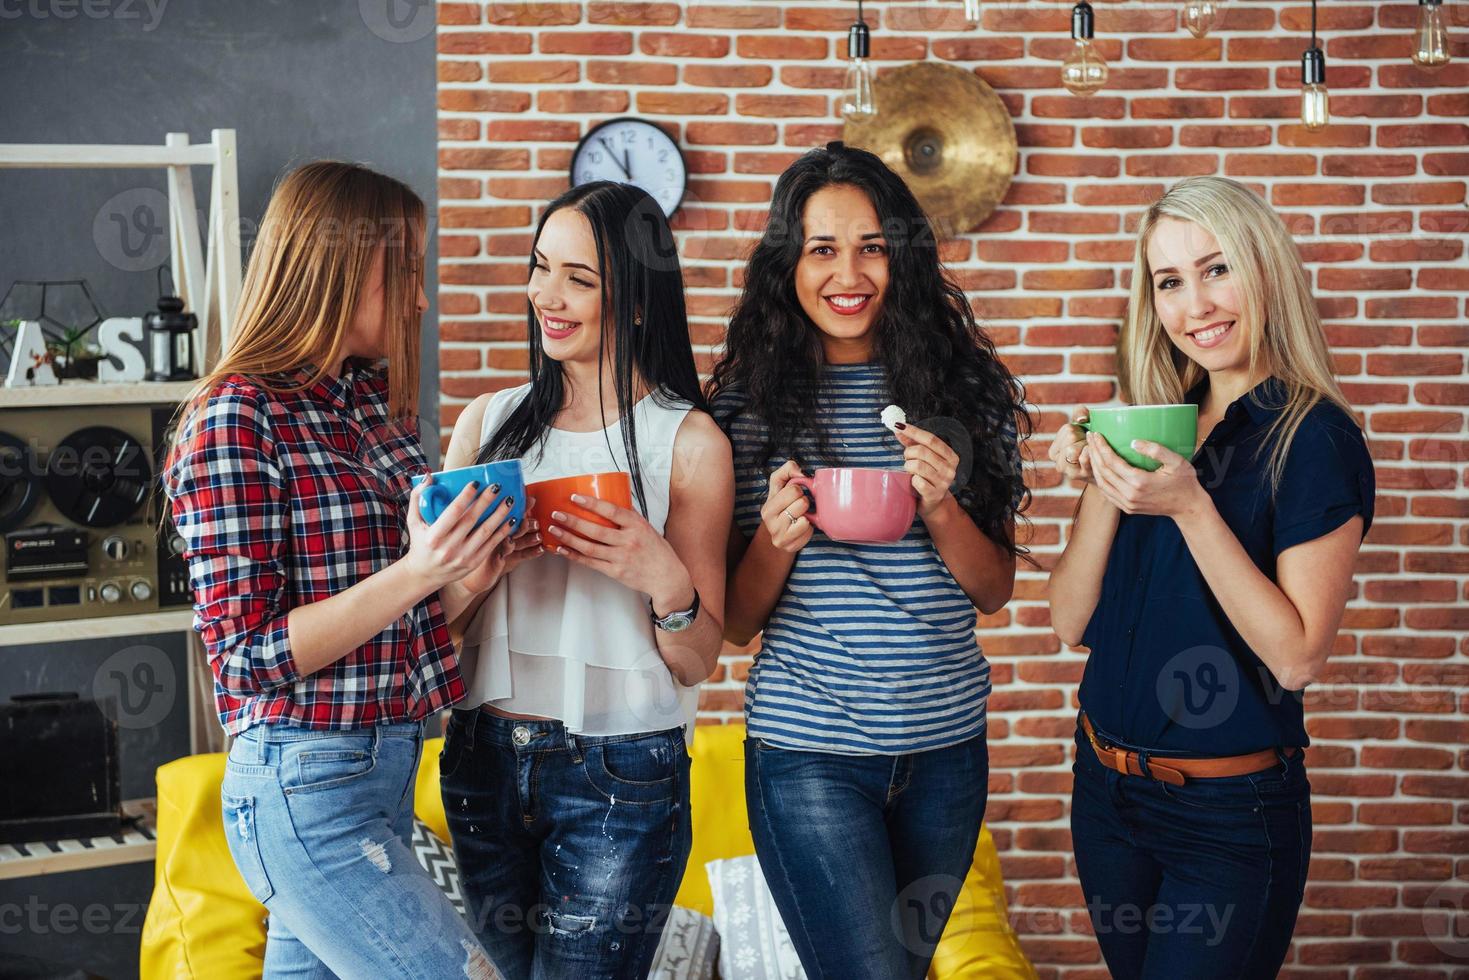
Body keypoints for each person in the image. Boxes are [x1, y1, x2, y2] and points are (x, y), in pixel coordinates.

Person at [162, 161, 508, 979]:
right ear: (338, 265)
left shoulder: (363, 410)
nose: (423, 300)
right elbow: (246, 658)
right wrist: (422, 572)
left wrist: (469, 574)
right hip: (303, 789)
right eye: (410, 272)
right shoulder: (233, 417)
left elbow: (397, 632)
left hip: (382, 771)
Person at [707, 141, 1029, 979]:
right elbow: (737, 626)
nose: (847, 273)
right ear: (788, 264)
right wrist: (777, 541)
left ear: (904, 259)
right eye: (821, 249)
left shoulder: (963, 395)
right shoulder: (745, 408)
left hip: (946, 751)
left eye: (872, 247)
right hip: (806, 752)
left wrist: (940, 503)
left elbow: (992, 590)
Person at [1047, 175, 1376, 980]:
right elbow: (1067, 620)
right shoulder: (1158, 422)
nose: (1195, 304)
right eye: (1168, 281)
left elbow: (1296, 657)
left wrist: (1192, 508)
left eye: (1216, 268)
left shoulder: (1314, 438)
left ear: (1264, 269)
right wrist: (1100, 476)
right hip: (1104, 793)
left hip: (1226, 817)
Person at [439, 180, 733, 979]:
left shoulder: (690, 441)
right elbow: (436, 627)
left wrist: (660, 574)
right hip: (482, 757)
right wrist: (476, 571)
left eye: (579, 278)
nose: (546, 296)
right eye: (540, 268)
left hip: (622, 770)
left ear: (636, 302)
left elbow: (697, 657)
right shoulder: (485, 423)